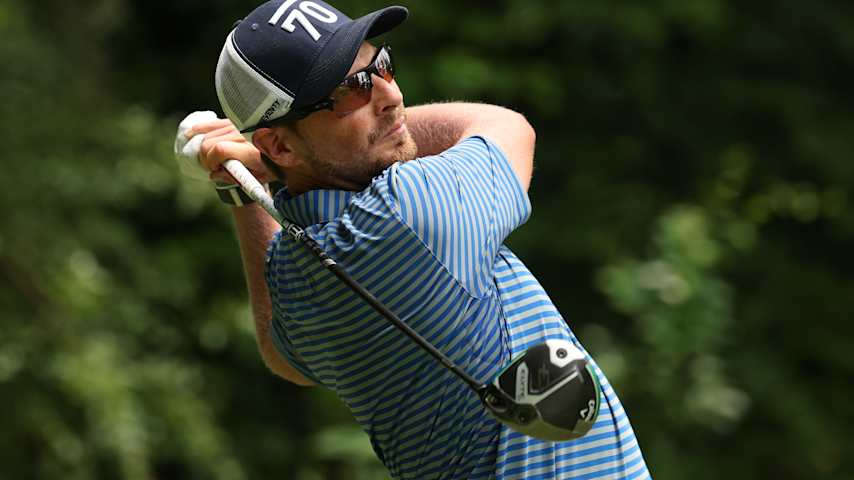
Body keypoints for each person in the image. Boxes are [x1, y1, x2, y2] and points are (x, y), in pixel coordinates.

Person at [180, 0, 651, 478]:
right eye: (351, 91)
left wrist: (241, 186)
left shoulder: (292, 277)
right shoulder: (411, 212)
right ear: (279, 144)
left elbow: (282, 358)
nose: (390, 95)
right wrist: (261, 167)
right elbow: (507, 128)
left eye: (380, 65)